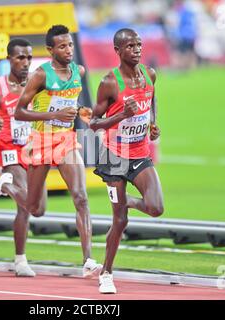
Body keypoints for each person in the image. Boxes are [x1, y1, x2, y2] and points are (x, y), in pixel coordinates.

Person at [14, 24, 101, 277]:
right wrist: (53, 114)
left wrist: (86, 115)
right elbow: (20, 111)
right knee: (34, 209)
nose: (69, 50)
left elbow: (74, 104)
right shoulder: (40, 75)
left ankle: (88, 260)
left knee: (81, 197)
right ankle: (7, 185)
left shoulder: (79, 71)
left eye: (70, 44)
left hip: (65, 140)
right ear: (50, 50)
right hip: (41, 140)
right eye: (62, 46)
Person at [89, 28, 164, 294]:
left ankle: (127, 200)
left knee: (156, 207)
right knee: (120, 221)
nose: (137, 49)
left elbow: (152, 100)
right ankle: (106, 273)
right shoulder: (110, 82)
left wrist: (153, 124)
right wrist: (120, 116)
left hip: (140, 152)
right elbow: (93, 122)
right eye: (130, 46)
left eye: (139, 45)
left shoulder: (149, 74)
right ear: (117, 51)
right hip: (114, 157)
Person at [0, 38, 36, 276]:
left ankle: (19, 260)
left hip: (33, 150)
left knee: (31, 208)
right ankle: (21, 260)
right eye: (20, 58)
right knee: (25, 200)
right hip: (9, 148)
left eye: (28, 57)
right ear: (9, 59)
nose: (25, 62)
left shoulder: (38, 84)